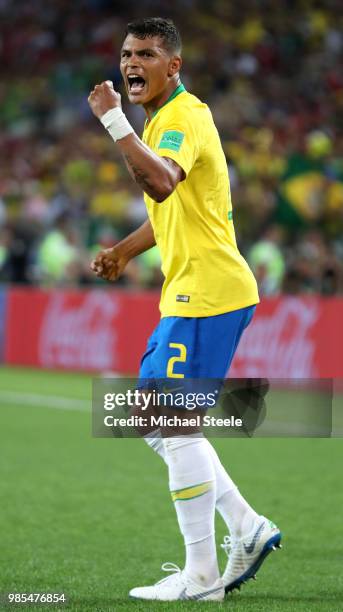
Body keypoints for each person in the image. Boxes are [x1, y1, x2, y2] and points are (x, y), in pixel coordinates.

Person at [88, 17, 281, 602]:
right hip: (192, 293)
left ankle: (201, 576)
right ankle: (246, 526)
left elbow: (163, 182)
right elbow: (173, 208)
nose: (131, 64)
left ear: (173, 65)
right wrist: (123, 250)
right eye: (126, 54)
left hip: (208, 294)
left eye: (146, 54)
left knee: (172, 424)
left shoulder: (182, 118)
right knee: (156, 422)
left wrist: (111, 119)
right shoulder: (162, 121)